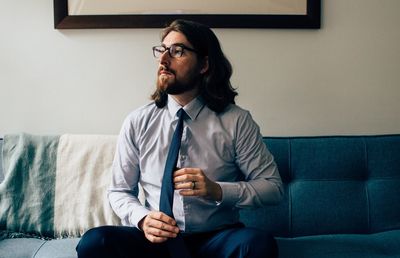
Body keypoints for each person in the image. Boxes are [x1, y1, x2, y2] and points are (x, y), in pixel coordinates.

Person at [76, 19, 283, 258]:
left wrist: (217, 190)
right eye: (161, 50)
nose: (163, 60)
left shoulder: (236, 121)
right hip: (155, 241)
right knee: (95, 242)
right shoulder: (138, 121)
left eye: (177, 51)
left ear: (204, 64)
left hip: (215, 239)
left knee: (258, 244)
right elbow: (119, 190)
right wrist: (143, 219)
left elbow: (272, 187)